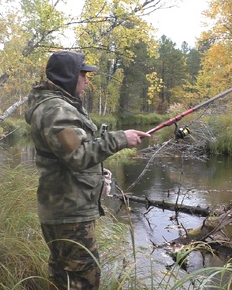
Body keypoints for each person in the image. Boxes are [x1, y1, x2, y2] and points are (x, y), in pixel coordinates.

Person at [24, 50, 150, 290]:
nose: (87, 80)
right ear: (68, 77)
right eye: (83, 75)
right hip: (70, 212)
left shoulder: (57, 106)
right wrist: (119, 139)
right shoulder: (56, 110)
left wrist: (98, 174)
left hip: (63, 208)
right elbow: (77, 156)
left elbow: (67, 155)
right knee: (83, 280)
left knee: (63, 278)